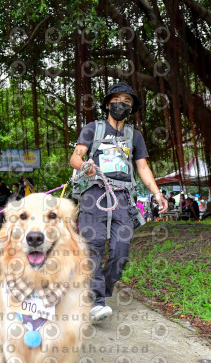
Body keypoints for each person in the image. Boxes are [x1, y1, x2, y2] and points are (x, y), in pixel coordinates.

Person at [70, 81, 167, 324]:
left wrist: (156, 193)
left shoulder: (135, 136)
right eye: (117, 99)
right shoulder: (93, 129)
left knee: (121, 250)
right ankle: (96, 302)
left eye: (127, 101)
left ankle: (96, 292)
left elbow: (142, 166)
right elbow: (75, 156)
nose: (121, 104)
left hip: (123, 197)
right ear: (107, 104)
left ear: (132, 108)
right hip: (94, 192)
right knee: (93, 245)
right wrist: (84, 166)